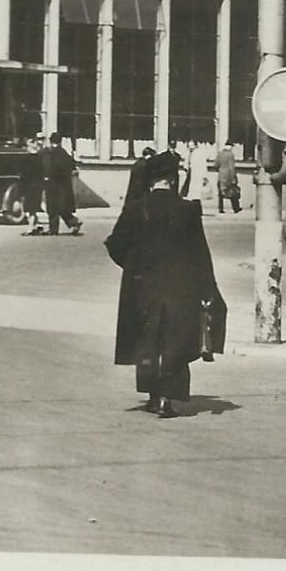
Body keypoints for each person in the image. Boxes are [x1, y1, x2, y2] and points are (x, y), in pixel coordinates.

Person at [105, 150, 226, 418]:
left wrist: (134, 265)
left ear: (151, 182)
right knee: (176, 341)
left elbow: (115, 244)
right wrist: (209, 290)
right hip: (180, 287)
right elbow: (200, 254)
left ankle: (152, 395)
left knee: (148, 340)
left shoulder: (136, 209)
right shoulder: (189, 209)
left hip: (143, 287)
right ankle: (166, 399)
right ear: (172, 179)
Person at [42, 132, 82, 237]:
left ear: (51, 141)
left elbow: (48, 168)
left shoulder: (50, 153)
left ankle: (54, 228)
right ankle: (73, 222)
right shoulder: (64, 153)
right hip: (64, 185)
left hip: (53, 184)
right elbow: (72, 167)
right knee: (61, 207)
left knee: (52, 207)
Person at [19, 136, 47, 236]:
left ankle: (31, 228)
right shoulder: (39, 157)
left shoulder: (26, 158)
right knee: (33, 208)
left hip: (29, 186)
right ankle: (36, 226)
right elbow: (42, 172)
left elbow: (24, 175)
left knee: (29, 209)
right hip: (37, 186)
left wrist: (21, 187)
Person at [214, 144, 241, 214]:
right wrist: (233, 178)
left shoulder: (220, 154)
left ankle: (221, 208)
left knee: (221, 193)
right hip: (228, 175)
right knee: (232, 192)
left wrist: (220, 170)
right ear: (230, 147)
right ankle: (236, 208)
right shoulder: (230, 155)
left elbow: (216, 165)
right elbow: (231, 167)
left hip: (221, 175)